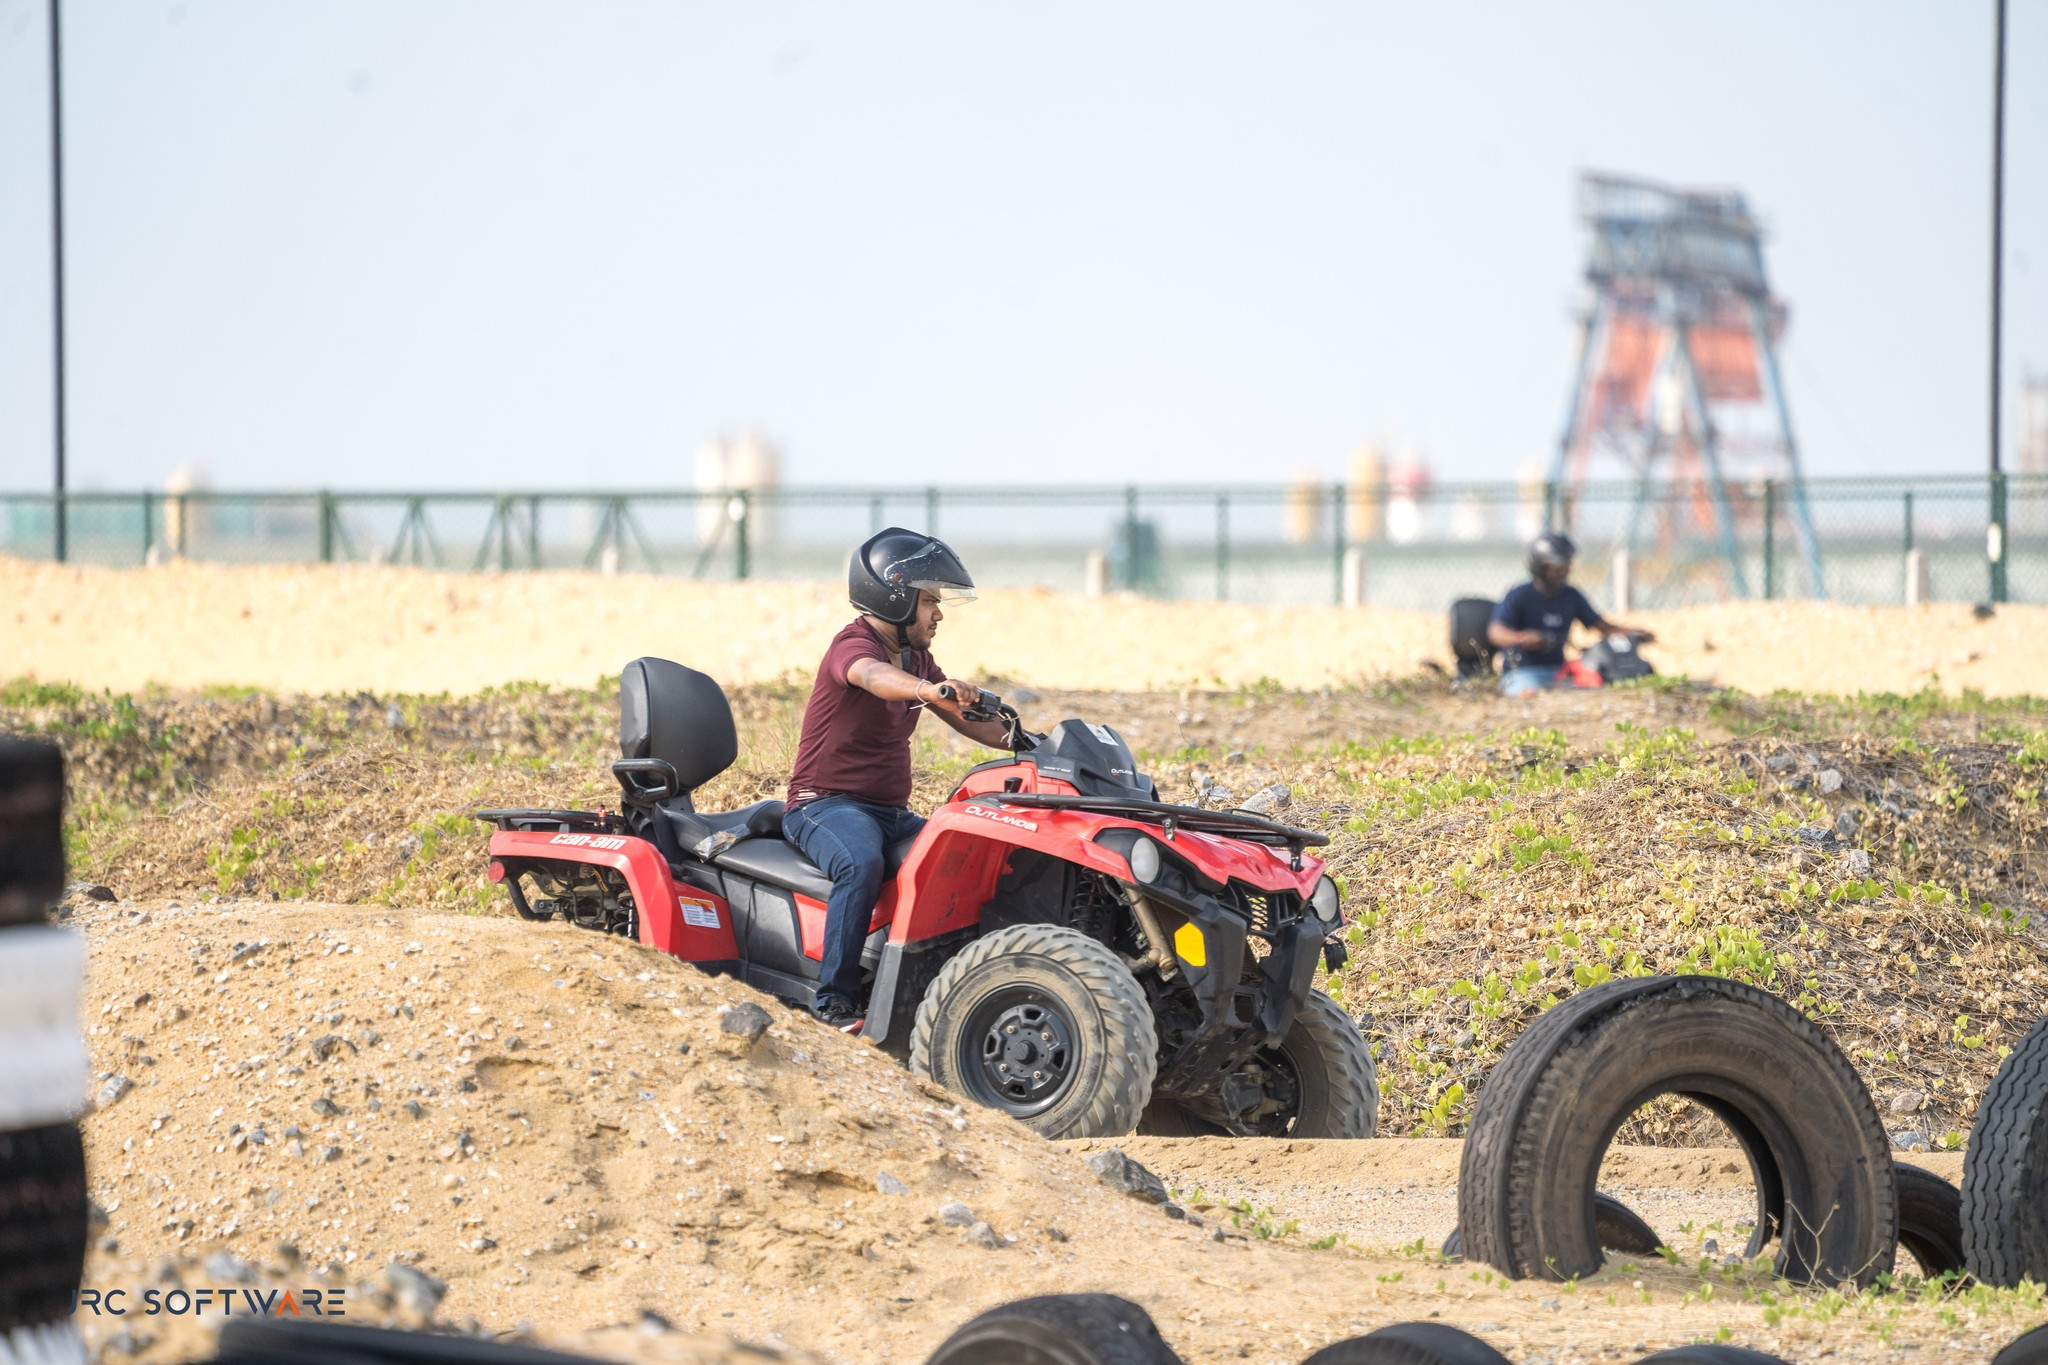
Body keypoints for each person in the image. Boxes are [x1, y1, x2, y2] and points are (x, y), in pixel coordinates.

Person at [782, 528, 1017, 1032]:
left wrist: (1032, 743)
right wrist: (928, 690)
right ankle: (833, 1003)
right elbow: (871, 676)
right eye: (929, 601)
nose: (938, 614)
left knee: (963, 859)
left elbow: (965, 718)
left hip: (889, 813)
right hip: (822, 805)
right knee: (860, 863)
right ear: (895, 596)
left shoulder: (916, 658)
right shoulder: (854, 645)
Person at [1487, 532, 1654, 697]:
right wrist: (1525, 638)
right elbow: (1496, 632)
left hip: (1559, 671)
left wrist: (1633, 633)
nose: (1565, 570)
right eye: (1558, 566)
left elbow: (1601, 626)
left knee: (1591, 688)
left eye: (1567, 564)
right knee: (1532, 696)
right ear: (1541, 566)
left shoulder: (1571, 596)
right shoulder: (1519, 595)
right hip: (1522, 673)